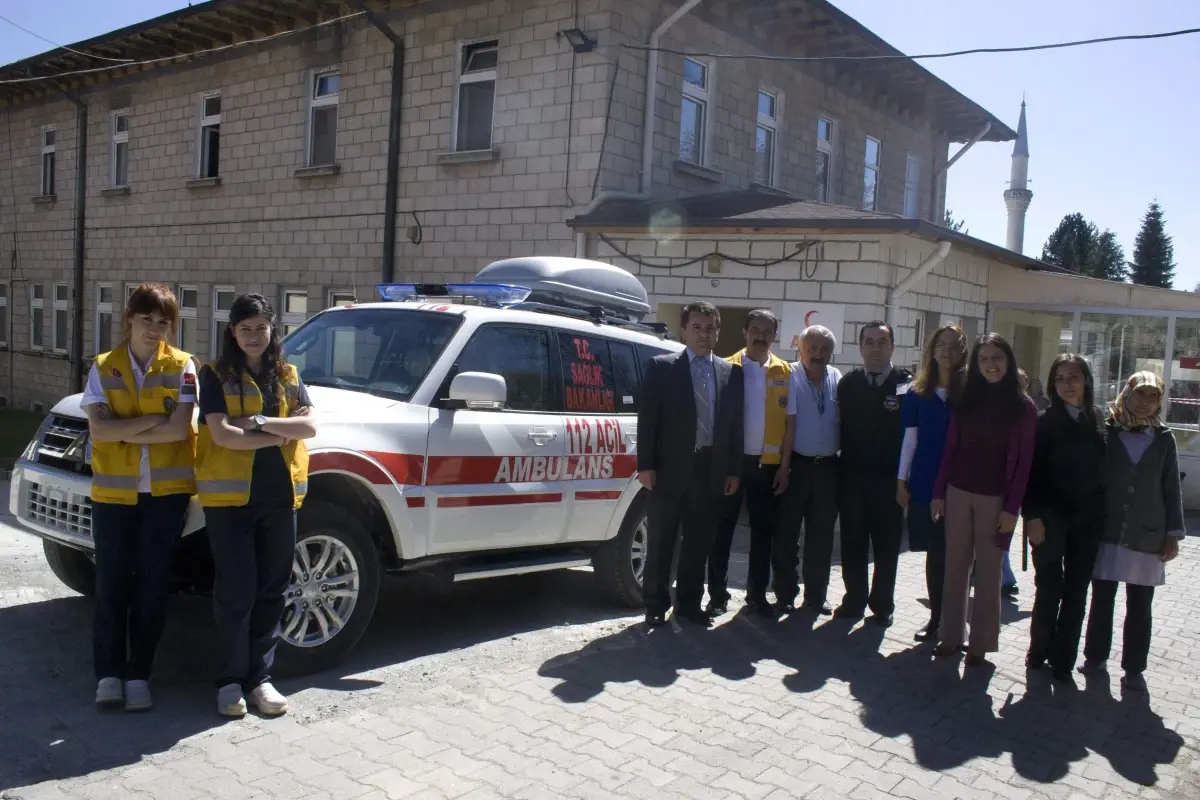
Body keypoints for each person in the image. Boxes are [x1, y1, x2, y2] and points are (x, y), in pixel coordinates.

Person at [197, 293, 318, 716]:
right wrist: (281, 435)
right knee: (235, 592)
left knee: (272, 591)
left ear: (272, 330)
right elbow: (223, 435)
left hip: (280, 498)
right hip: (230, 500)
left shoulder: (287, 374)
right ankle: (230, 682)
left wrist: (262, 423)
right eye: (245, 328)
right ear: (232, 332)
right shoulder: (214, 375)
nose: (253, 336)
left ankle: (260, 679)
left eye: (261, 328)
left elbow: (310, 426)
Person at [83, 283, 198, 712]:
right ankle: (108, 674)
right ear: (129, 318)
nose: (154, 328)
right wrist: (154, 418)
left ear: (172, 325)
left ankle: (138, 674)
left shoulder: (184, 367)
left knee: (151, 587)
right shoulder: (102, 367)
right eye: (146, 318)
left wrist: (124, 427)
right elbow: (98, 431)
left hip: (165, 495)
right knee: (110, 584)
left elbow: (178, 430)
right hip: (114, 493)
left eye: (163, 321)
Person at [931, 333, 1036, 665]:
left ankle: (981, 644)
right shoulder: (965, 396)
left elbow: (1024, 465)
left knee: (989, 574)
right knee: (955, 567)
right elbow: (950, 447)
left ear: (1008, 361)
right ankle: (950, 636)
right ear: (976, 365)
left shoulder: (1023, 407)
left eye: (997, 357)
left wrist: (1012, 509)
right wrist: (939, 492)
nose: (991, 365)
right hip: (958, 492)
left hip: (996, 500)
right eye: (984, 359)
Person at [638, 301, 743, 628]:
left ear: (718, 332)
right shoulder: (662, 367)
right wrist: (646, 465)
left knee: (699, 542)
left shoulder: (730, 373)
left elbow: (736, 425)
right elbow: (649, 420)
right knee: (662, 540)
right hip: (670, 469)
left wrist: (733, 469)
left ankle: (688, 604)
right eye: (696, 327)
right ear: (683, 331)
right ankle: (655, 604)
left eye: (710, 327)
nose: (703, 333)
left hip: (711, 469)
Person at [1079, 372, 1184, 692]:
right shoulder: (1107, 432)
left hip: (1147, 534)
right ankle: (1095, 656)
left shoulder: (1164, 439)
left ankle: (1134, 666)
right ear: (1126, 394)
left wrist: (1172, 535)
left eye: (1153, 396)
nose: (1145, 402)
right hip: (1108, 530)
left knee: (1140, 603)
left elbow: (1170, 490)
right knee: (1102, 598)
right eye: (1140, 394)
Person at [1022, 354, 1106, 681]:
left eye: (1074, 377)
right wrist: (1033, 516)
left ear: (1086, 380)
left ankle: (1063, 659)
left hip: (1087, 522)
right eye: (1060, 378)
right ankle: (1039, 650)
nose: (1067, 384)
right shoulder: (1043, 422)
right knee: (1048, 588)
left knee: (1076, 591)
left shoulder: (1099, 421)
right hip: (1049, 518)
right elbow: (1030, 475)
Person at [708, 309, 791, 617]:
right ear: (744, 332)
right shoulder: (726, 368)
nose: (760, 335)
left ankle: (757, 595)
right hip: (732, 465)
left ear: (775, 336)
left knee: (763, 534)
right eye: (755, 329)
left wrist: (784, 467)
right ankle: (717, 595)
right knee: (722, 532)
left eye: (767, 331)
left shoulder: (784, 371)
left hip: (767, 466)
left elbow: (790, 423)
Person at [835, 321, 911, 626]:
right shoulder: (848, 384)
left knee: (887, 546)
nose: (875, 347)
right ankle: (853, 601)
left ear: (892, 347)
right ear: (860, 347)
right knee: (852, 544)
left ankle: (882, 605)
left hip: (890, 482)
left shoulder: (907, 384)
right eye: (869, 342)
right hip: (852, 478)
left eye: (882, 342)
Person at [898, 323, 967, 642]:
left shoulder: (969, 393)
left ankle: (957, 621)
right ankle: (936, 618)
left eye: (954, 345)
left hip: (963, 485)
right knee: (935, 554)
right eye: (942, 345)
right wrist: (902, 480)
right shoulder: (916, 392)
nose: (948, 351)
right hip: (926, 483)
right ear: (932, 350)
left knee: (959, 557)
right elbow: (909, 442)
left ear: (963, 350)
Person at [778, 325, 842, 615]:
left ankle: (816, 596)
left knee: (821, 536)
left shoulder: (836, 377)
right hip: (796, 466)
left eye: (824, 349)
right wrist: (785, 466)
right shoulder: (787, 375)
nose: (817, 354)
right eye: (812, 348)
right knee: (787, 534)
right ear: (800, 349)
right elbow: (788, 425)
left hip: (828, 468)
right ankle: (786, 593)